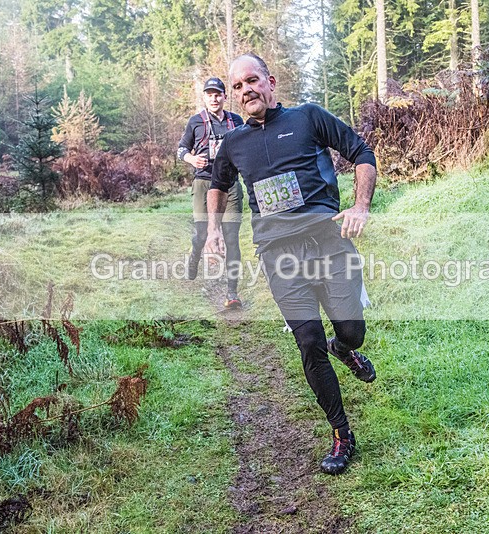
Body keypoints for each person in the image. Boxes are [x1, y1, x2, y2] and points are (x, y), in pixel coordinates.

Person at [204, 53, 378, 475]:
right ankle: (341, 433)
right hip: (279, 255)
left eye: (253, 81)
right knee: (308, 343)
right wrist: (211, 230)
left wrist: (360, 205)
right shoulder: (234, 143)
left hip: (329, 242)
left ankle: (345, 348)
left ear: (270, 82)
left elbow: (361, 152)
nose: (246, 90)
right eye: (238, 86)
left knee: (351, 332)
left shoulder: (308, 117)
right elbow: (218, 185)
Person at [177, 76, 245, 308]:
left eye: (218, 94)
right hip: (204, 183)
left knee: (232, 239)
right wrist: (191, 158)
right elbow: (181, 149)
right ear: (204, 97)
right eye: (210, 94)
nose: (214, 98)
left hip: (230, 185)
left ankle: (232, 293)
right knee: (202, 234)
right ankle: (194, 257)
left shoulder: (236, 121)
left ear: (225, 97)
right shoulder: (196, 122)